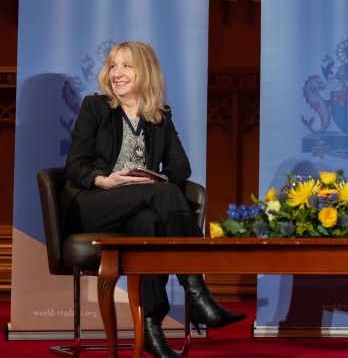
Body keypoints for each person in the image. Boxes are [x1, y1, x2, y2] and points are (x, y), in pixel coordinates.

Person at [62, 41, 246, 358]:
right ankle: (197, 291)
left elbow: (180, 165)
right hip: (97, 203)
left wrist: (156, 180)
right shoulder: (96, 108)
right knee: (165, 194)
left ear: (144, 71)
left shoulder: (158, 115)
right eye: (113, 65)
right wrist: (105, 180)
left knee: (150, 220)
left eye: (126, 66)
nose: (116, 73)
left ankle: (150, 327)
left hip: (143, 206)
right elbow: (75, 164)